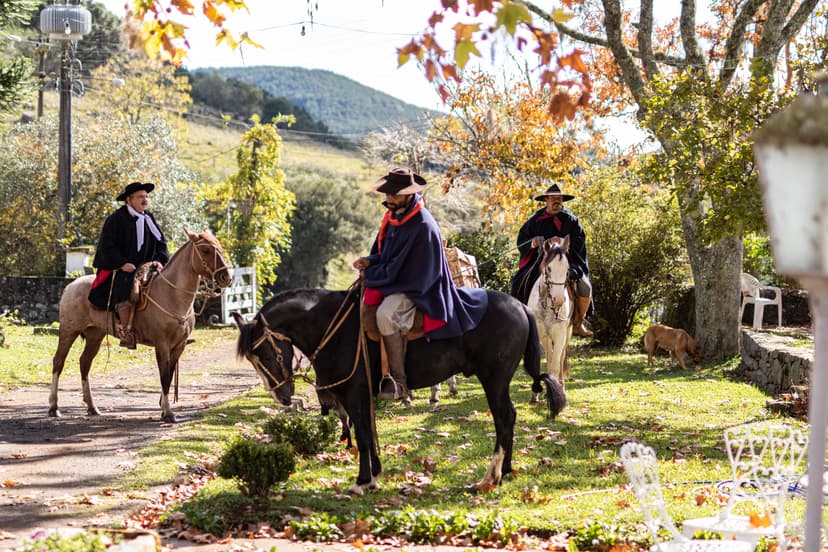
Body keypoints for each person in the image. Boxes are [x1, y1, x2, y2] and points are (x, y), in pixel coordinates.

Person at [353, 167, 488, 402]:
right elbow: (385, 254)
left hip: (419, 287)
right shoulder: (393, 218)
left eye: (394, 194)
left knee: (385, 315)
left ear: (408, 194)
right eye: (387, 193)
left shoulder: (421, 224)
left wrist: (374, 273)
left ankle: (398, 382)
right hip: (395, 279)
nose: (389, 198)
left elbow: (403, 270)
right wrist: (370, 261)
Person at [88, 181, 170, 349]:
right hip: (124, 268)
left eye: (146, 196)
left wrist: (159, 260)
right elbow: (107, 246)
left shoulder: (149, 218)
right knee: (127, 286)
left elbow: (161, 244)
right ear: (129, 200)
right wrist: (122, 263)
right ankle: (126, 331)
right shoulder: (116, 219)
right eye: (141, 197)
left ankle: (172, 331)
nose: (145, 200)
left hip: (149, 266)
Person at [510, 183, 593, 337]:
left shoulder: (572, 220)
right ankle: (518, 321)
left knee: (585, 286)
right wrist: (532, 243)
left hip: (567, 262)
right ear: (546, 200)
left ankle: (578, 323)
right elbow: (522, 240)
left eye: (559, 198)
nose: (557, 201)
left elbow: (579, 241)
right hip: (540, 262)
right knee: (518, 281)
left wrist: (563, 241)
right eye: (553, 198)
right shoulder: (535, 220)